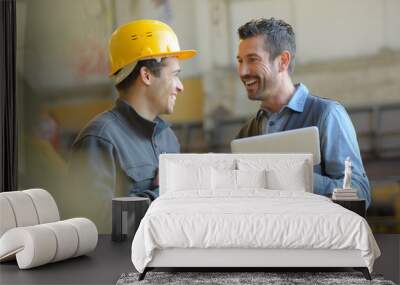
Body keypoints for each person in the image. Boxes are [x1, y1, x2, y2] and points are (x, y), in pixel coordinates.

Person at [67, 20, 196, 233]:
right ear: (146, 75)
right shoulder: (99, 139)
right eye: (175, 75)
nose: (180, 86)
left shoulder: (168, 138)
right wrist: (161, 193)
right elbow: (92, 226)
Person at [235, 18, 371, 206]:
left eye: (252, 60)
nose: (242, 71)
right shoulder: (245, 134)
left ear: (283, 61)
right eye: (240, 61)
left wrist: (298, 178)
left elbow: (360, 193)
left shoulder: (327, 115)